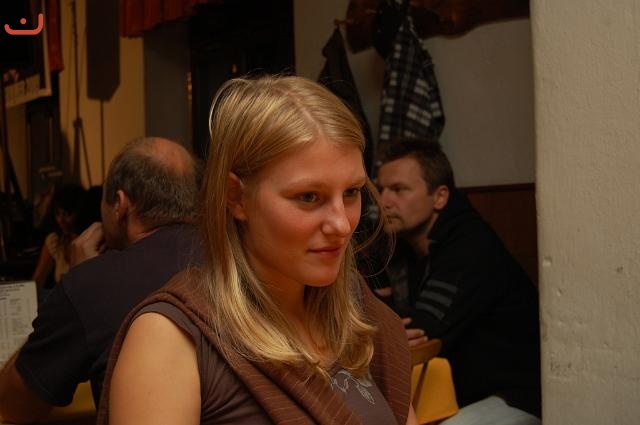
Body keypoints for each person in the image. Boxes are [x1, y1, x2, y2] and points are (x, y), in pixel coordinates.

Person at [97, 75, 416, 425]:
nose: (342, 224)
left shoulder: (355, 308)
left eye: (351, 192)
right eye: (309, 197)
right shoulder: (169, 339)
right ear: (236, 197)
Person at [0, 137, 201, 424]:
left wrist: (80, 281)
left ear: (120, 204)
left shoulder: (92, 285)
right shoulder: (234, 257)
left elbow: (15, 406)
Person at [375, 139, 541, 425]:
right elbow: (389, 321)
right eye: (380, 189)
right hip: (458, 392)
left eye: (399, 189)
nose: (383, 201)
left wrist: (381, 322)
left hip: (517, 393)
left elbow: (421, 331)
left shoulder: (470, 245)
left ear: (439, 197)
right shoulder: (401, 244)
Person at [31, 183, 88, 288]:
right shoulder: (55, 240)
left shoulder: (90, 239)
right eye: (57, 213)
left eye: (67, 214)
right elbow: (38, 280)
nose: (60, 220)